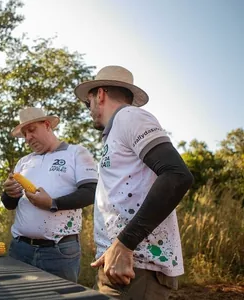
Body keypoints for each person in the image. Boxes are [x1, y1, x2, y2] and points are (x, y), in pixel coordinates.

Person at [74, 66, 194, 299]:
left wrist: (125, 243)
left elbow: (177, 175)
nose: (88, 111)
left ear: (100, 94)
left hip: (137, 269)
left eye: (87, 103)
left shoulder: (130, 116)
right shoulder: (117, 129)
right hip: (122, 266)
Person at [1, 107, 98, 283]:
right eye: (25, 134)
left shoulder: (76, 153)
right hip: (20, 249)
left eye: (32, 130)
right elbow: (9, 204)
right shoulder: (24, 162)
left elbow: (91, 192)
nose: (28, 138)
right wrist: (9, 194)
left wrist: (53, 203)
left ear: (47, 125)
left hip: (58, 250)